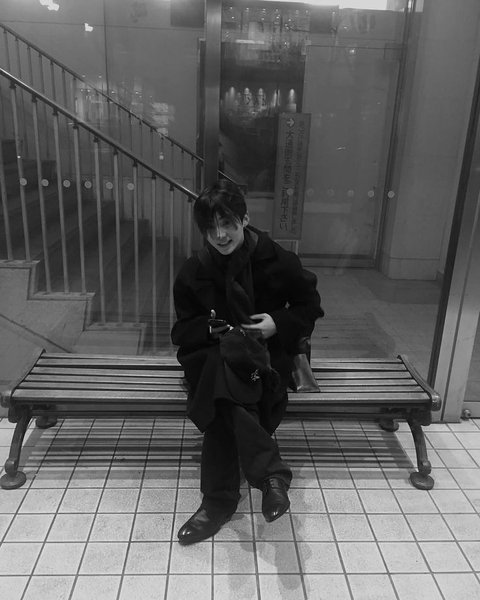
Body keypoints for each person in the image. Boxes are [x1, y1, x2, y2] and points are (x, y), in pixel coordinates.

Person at [171, 179, 323, 545]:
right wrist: (208, 330)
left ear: (245, 219)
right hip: (212, 360)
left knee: (223, 399)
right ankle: (270, 475)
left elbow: (310, 307)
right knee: (222, 370)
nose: (220, 235)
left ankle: (218, 502)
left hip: (263, 361)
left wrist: (277, 323)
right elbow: (181, 332)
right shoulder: (195, 270)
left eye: (227, 224)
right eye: (210, 228)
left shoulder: (278, 261)